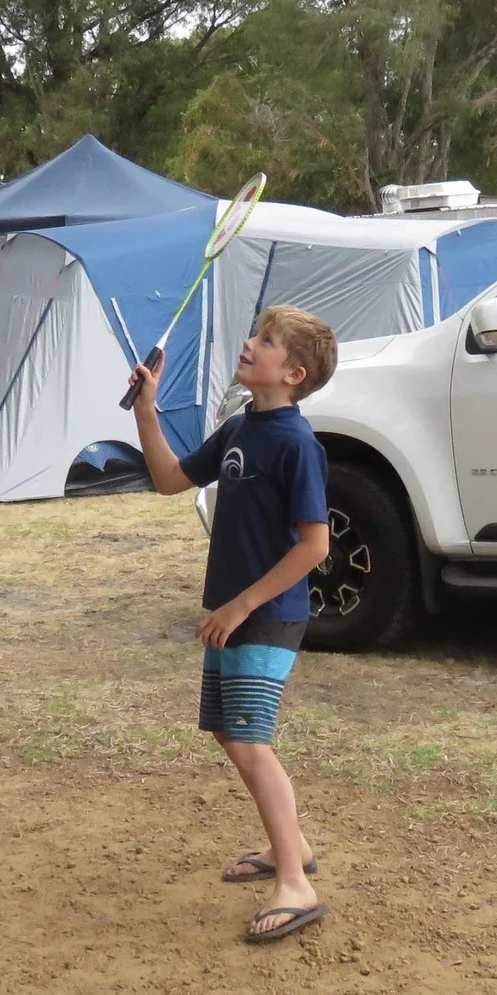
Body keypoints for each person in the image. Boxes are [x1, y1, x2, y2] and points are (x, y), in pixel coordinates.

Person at [128, 306, 336, 943]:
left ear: (293, 372)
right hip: (233, 613)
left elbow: (315, 546)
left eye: (265, 341)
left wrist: (242, 605)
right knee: (228, 731)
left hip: (267, 615)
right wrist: (146, 410)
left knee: (249, 739)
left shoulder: (298, 445)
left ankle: (297, 885)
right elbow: (169, 479)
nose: (249, 343)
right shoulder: (241, 427)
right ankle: (289, 849)